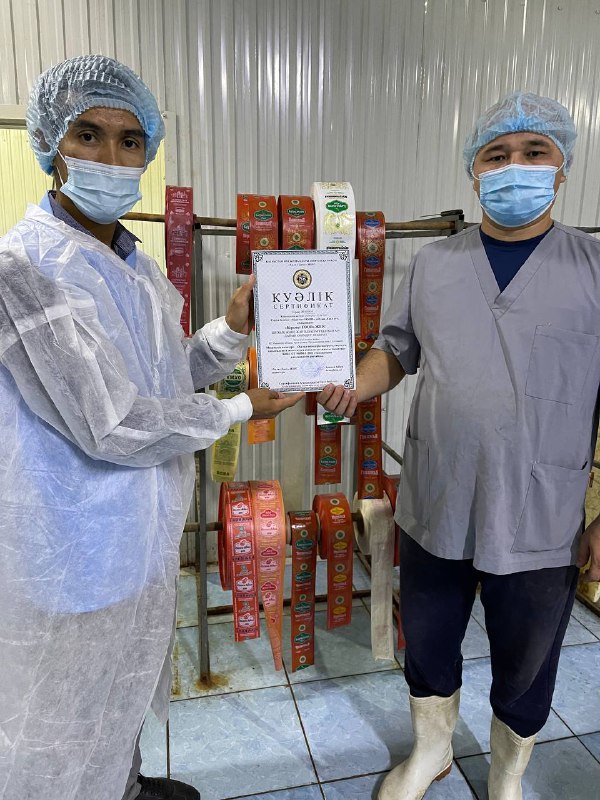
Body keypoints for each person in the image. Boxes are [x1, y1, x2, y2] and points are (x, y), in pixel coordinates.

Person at [0, 55, 302, 800]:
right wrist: (242, 408)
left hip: (138, 530)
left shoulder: (130, 263)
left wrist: (231, 332)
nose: (111, 156)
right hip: (74, 541)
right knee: (63, 717)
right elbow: (112, 423)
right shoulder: (25, 268)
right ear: (51, 146)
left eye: (130, 140)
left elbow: (161, 378)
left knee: (120, 688)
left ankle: (125, 787)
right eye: (88, 135)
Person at [318, 91, 600, 800]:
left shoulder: (593, 268)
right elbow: (395, 352)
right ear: (474, 170)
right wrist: (353, 384)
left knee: (527, 663)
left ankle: (507, 775)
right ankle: (432, 751)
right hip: (437, 499)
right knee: (430, 639)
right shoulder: (435, 265)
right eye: (496, 155)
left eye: (534, 152)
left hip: (541, 513)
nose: (514, 166)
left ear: (562, 168)